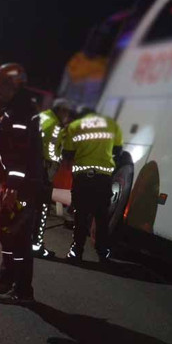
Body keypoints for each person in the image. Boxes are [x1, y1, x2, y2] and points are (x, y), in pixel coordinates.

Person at [0, 63, 44, 305]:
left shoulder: (21, 112)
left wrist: (13, 188)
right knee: (6, 233)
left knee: (18, 238)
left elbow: (19, 155)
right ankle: (6, 280)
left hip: (21, 187)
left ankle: (22, 290)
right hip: (14, 184)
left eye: (0, 83)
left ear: (11, 85)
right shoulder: (15, 108)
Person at [61, 107, 123, 262]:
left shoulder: (75, 126)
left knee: (80, 216)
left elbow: (67, 154)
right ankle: (103, 253)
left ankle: (77, 251)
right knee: (101, 217)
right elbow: (118, 150)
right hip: (103, 179)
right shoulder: (112, 124)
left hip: (83, 178)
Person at [32, 98, 72, 258]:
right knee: (42, 209)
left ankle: (25, 241)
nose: (67, 115)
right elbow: (50, 149)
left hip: (31, 167)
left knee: (30, 207)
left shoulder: (43, 116)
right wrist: (58, 159)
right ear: (61, 110)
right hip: (43, 169)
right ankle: (36, 245)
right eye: (66, 112)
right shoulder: (55, 125)